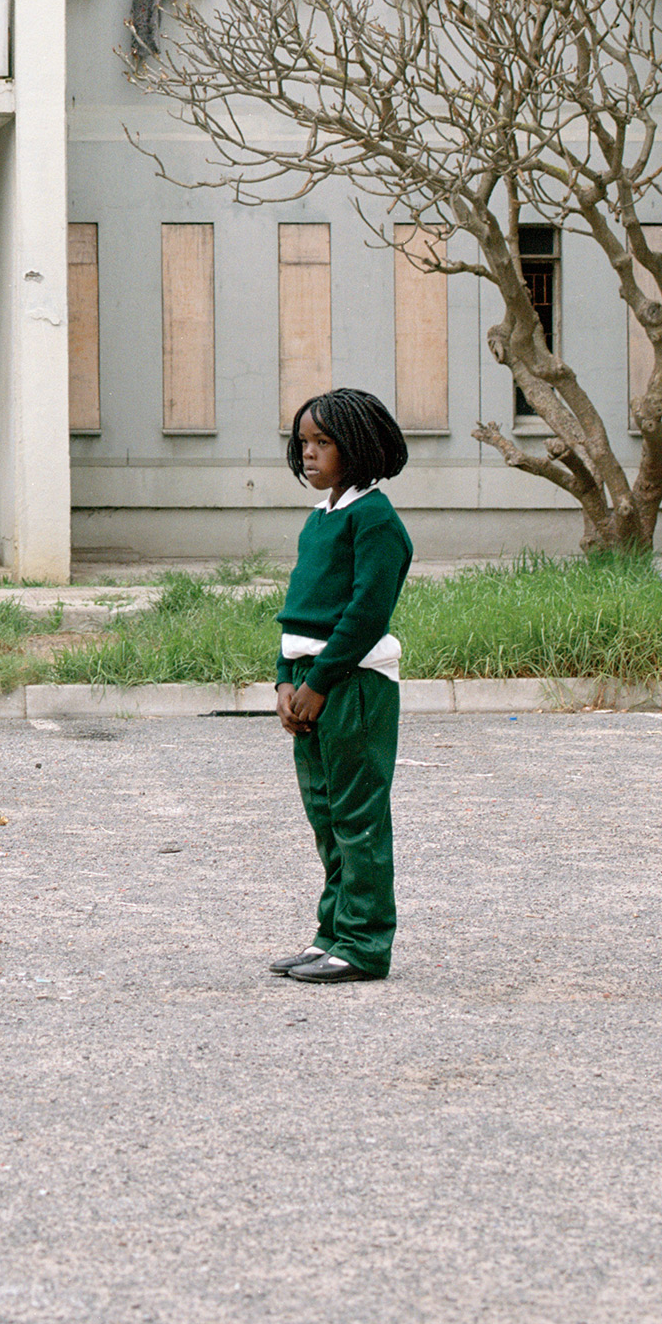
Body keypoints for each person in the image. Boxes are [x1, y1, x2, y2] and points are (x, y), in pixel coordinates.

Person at [269, 386, 413, 986]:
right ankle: (332, 934)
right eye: (303, 442)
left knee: (358, 817)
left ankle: (364, 944)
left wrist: (321, 682)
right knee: (327, 816)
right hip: (310, 681)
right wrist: (284, 680)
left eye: (323, 442)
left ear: (358, 446)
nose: (309, 453)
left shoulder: (375, 519)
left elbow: (364, 612)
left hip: (351, 684)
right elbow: (300, 609)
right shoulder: (321, 517)